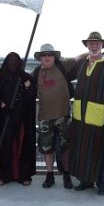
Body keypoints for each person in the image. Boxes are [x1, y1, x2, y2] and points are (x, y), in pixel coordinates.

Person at [69, 31, 104, 196]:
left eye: (97, 43)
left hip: (101, 116)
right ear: (87, 45)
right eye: (91, 43)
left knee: (101, 150)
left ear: (102, 45)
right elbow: (66, 75)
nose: (94, 46)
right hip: (81, 116)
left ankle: (103, 184)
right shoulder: (82, 63)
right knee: (83, 149)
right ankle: (85, 181)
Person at [32, 43, 75, 189]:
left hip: (63, 115)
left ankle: (67, 174)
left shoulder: (63, 65)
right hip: (45, 116)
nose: (47, 57)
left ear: (54, 57)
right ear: (40, 58)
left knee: (65, 147)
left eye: (50, 55)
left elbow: (80, 58)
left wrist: (92, 53)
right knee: (47, 148)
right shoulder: (36, 72)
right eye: (44, 55)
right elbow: (26, 87)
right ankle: (49, 174)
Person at [0, 52, 37, 186]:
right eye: (10, 61)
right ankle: (3, 175)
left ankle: (23, 175)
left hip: (22, 118)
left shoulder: (25, 77)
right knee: (6, 145)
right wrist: (3, 106)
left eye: (15, 61)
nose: (12, 63)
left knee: (22, 145)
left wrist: (25, 80)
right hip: (5, 118)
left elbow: (32, 93)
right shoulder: (1, 78)